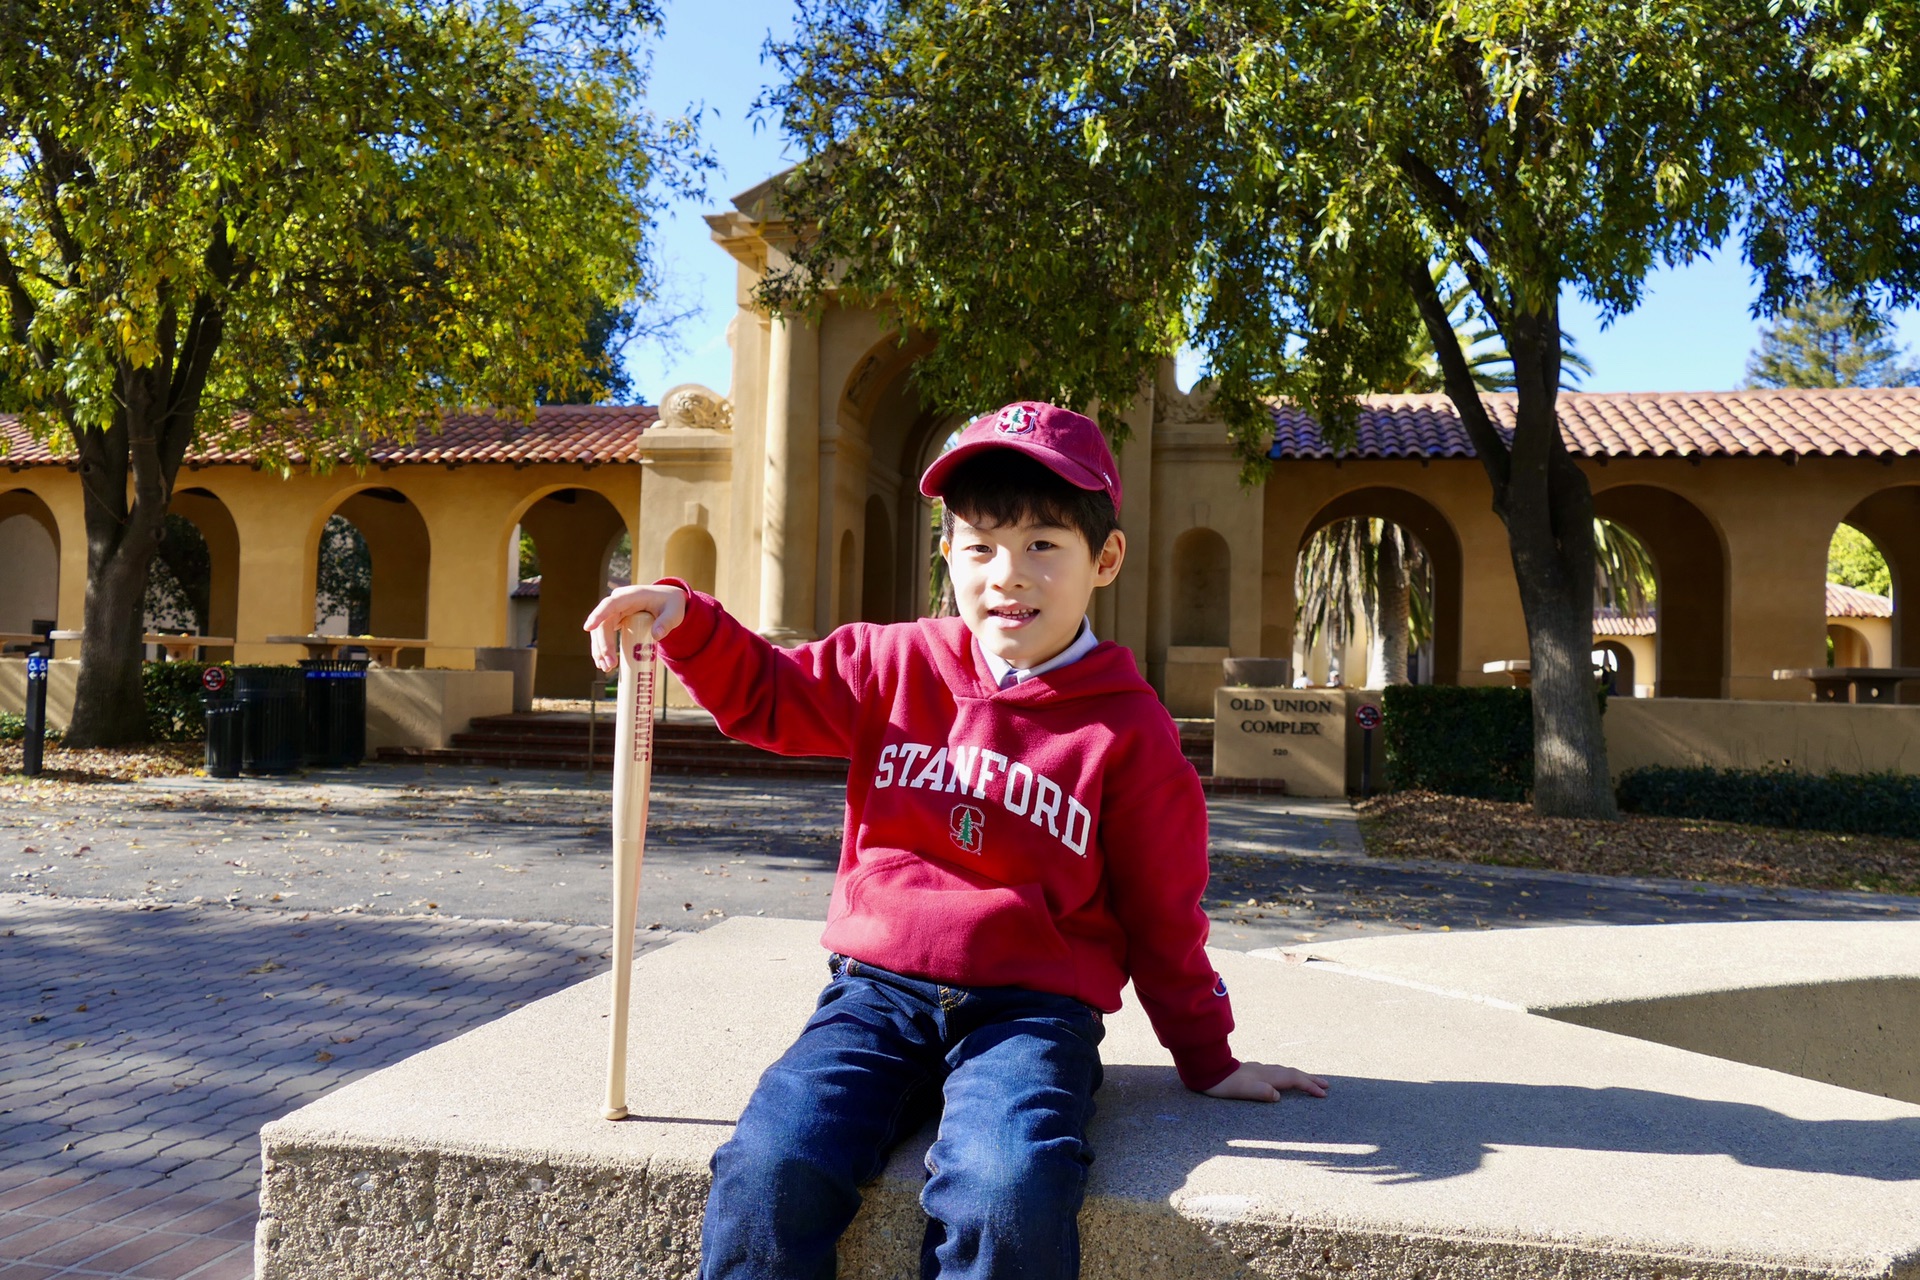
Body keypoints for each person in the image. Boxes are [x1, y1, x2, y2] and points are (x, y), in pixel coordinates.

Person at [584, 400, 1327, 1280]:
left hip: (1032, 1014)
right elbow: (769, 698)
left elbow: (1164, 913)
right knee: (768, 1169)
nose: (1008, 575)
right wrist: (686, 617)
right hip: (874, 996)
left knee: (1006, 1192)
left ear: (1106, 558)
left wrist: (1207, 1058)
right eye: (980, 547)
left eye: (1044, 544)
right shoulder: (890, 663)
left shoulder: (1131, 733)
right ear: (948, 558)